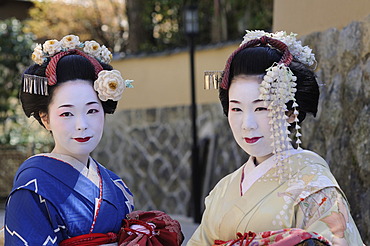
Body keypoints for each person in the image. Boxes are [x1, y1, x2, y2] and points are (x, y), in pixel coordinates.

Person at [188, 31, 365, 246]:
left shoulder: (314, 186)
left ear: (291, 113)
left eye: (261, 107)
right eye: (236, 109)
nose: (247, 124)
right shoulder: (223, 189)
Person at [3, 35, 183, 246]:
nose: (82, 124)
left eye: (92, 111)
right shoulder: (33, 188)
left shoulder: (116, 185)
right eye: (67, 114)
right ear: (45, 118)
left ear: (104, 112)